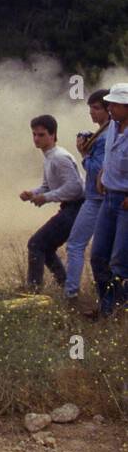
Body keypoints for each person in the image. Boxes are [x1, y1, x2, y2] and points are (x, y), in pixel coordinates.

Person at [20, 114, 84, 292]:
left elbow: (75, 188)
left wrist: (46, 197)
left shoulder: (59, 157)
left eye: (41, 135)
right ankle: (64, 287)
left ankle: (33, 291)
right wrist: (33, 193)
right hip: (70, 208)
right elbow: (48, 185)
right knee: (45, 247)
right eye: (34, 134)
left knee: (36, 243)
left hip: (76, 208)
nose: (36, 139)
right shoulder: (50, 156)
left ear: (53, 134)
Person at [62, 89, 111, 307]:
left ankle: (71, 294)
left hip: (96, 199)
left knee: (76, 245)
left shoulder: (104, 137)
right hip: (101, 198)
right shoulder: (106, 132)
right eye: (90, 107)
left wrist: (84, 153)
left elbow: (96, 169)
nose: (92, 112)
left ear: (108, 109)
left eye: (96, 108)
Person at [88, 82, 128, 318]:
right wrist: (103, 173)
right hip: (110, 198)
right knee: (98, 256)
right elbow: (109, 155)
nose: (109, 106)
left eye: (114, 103)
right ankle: (106, 308)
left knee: (119, 262)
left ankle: (118, 312)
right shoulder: (111, 127)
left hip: (125, 203)